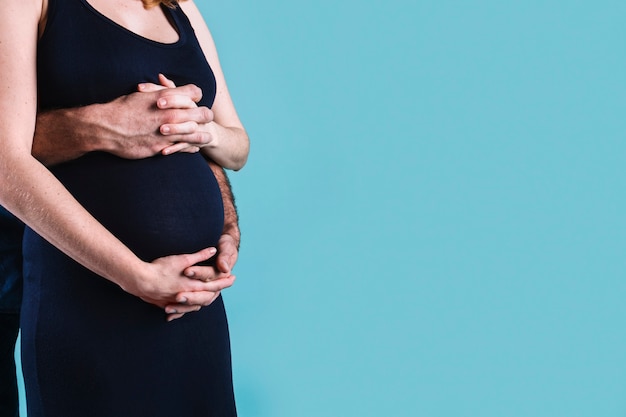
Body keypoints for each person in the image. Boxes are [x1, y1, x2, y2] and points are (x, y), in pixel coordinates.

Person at [0, 0, 249, 415]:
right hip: (87, 290)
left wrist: (202, 137)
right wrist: (137, 276)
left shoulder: (177, 5)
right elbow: (7, 165)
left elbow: (236, 148)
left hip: (193, 303)